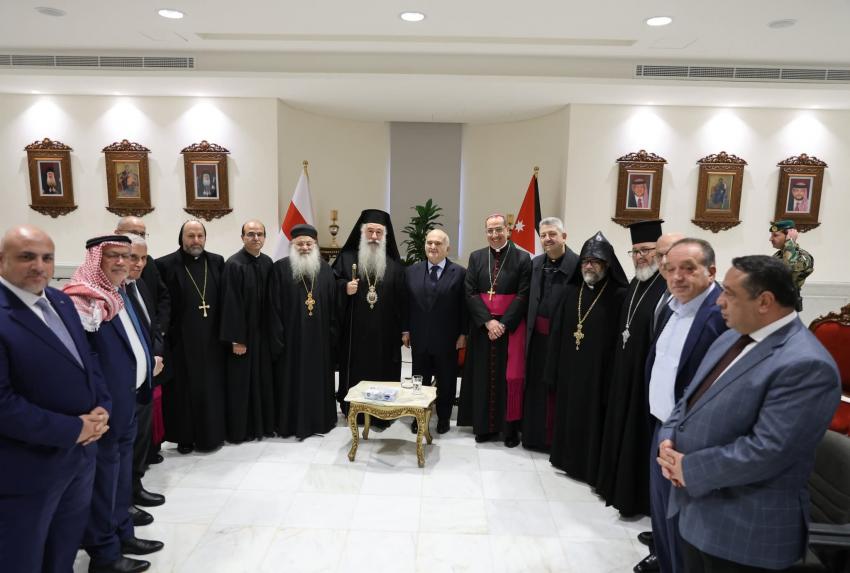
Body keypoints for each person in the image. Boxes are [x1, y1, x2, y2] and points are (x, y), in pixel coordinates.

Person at [657, 255, 840, 572]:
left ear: (765, 301)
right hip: (697, 512)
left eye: (729, 293)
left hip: (745, 532)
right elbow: (689, 399)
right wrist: (668, 437)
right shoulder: (731, 337)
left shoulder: (807, 364)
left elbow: (768, 451)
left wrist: (690, 469)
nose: (719, 301)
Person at [0, 225, 110, 573]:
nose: (40, 266)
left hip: (78, 459)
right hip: (27, 468)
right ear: (2, 261)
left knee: (62, 550)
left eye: (47, 258)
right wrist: (73, 429)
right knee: (24, 557)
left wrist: (102, 407)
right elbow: (3, 404)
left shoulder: (60, 301)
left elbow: (88, 361)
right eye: (27, 257)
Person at [64, 235, 163, 573]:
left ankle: (123, 533)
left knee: (119, 479)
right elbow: (84, 361)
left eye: (126, 255)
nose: (122, 262)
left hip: (129, 402)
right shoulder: (84, 299)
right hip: (105, 410)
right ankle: (104, 553)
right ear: (96, 259)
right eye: (113, 256)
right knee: (105, 481)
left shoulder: (116, 294)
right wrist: (101, 403)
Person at [643, 238, 727, 573]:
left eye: (688, 269)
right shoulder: (671, 307)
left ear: (711, 272)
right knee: (662, 520)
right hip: (661, 427)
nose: (677, 277)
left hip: (690, 441)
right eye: (670, 269)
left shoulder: (721, 315)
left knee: (683, 530)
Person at [596, 219, 667, 519]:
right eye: (635, 251)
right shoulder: (635, 283)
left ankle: (633, 497)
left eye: (646, 250)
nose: (640, 257)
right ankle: (612, 485)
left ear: (660, 253)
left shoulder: (666, 287)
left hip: (644, 376)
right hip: (624, 370)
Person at [545, 231, 628, 482]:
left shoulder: (619, 295)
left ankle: (589, 467)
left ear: (607, 264)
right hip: (570, 369)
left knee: (593, 420)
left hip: (598, 374)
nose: (589, 266)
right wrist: (552, 368)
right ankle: (565, 460)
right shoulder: (572, 291)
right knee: (569, 415)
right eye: (585, 261)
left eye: (595, 261)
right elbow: (557, 333)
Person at [458, 214, 531, 447]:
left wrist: (503, 324)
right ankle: (483, 428)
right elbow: (470, 292)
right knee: (482, 376)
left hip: (510, 329)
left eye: (499, 229)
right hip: (483, 328)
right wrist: (488, 322)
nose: (494, 234)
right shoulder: (476, 257)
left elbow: (523, 295)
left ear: (508, 230)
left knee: (507, 379)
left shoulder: (522, 258)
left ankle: (508, 431)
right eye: (490, 230)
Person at [156, 220, 227, 453]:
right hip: (181, 343)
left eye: (200, 236)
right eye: (190, 236)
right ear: (181, 238)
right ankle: (184, 438)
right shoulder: (165, 265)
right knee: (183, 392)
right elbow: (163, 304)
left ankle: (212, 436)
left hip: (212, 341)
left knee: (211, 389)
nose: (196, 240)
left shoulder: (216, 262)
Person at [332, 209, 408, 424]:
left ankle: (383, 412)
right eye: (370, 231)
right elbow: (330, 285)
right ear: (362, 232)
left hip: (385, 334)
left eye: (379, 232)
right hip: (354, 332)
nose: (374, 236)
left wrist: (404, 329)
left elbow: (403, 300)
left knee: (384, 370)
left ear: (385, 236)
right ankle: (353, 409)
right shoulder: (346, 258)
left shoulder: (395, 265)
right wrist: (344, 287)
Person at [269, 224, 339, 439]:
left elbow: (333, 307)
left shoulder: (325, 270)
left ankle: (320, 420)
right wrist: (278, 339)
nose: (305, 247)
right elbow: (273, 307)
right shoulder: (280, 269)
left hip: (319, 340)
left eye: (309, 243)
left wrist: (332, 337)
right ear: (292, 244)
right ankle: (290, 423)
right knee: (291, 382)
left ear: (315, 245)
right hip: (291, 341)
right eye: (300, 244)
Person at [521, 217, 578, 451]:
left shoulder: (577, 265)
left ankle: (554, 439)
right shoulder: (535, 264)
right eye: (543, 235)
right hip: (536, 338)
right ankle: (533, 437)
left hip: (562, 341)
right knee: (535, 387)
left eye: (552, 234)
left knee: (556, 389)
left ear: (564, 236)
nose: (547, 239)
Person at [403, 229, 467, 435]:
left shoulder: (460, 273)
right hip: (420, 337)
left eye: (438, 243)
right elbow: (406, 304)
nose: (433, 247)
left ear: (447, 248)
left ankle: (444, 418)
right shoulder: (411, 271)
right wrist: (405, 330)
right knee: (419, 380)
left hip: (447, 339)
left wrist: (463, 334)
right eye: (429, 242)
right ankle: (418, 417)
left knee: (446, 381)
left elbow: (464, 307)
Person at [121, 234, 166, 529]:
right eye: (132, 258)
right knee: (124, 447)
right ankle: (123, 502)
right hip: (124, 387)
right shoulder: (110, 294)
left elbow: (152, 325)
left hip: (145, 379)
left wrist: (157, 353)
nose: (138, 264)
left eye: (142, 258)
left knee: (139, 441)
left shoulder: (139, 285)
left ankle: (135, 487)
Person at [220, 220, 275, 443]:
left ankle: (264, 426)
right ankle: (242, 430)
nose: (256, 238)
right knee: (242, 384)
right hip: (243, 337)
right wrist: (236, 339)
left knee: (263, 381)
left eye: (260, 234)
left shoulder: (268, 262)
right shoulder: (234, 264)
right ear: (242, 237)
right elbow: (230, 304)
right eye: (250, 234)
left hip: (263, 336)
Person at [769, 219, 813, 311]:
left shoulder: (803, 256)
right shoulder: (778, 255)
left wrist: (790, 242)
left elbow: (788, 271)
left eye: (775, 235)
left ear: (788, 235)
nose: (770, 239)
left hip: (786, 306)